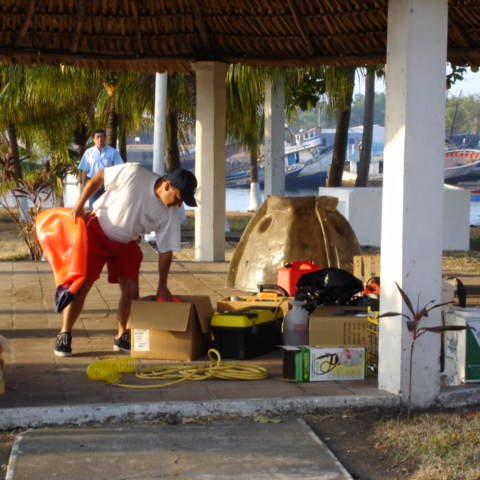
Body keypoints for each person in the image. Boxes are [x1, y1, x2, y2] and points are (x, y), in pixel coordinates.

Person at [54, 162, 198, 357]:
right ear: (167, 186)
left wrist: (162, 284)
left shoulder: (170, 213)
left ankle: (123, 334)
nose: (178, 205)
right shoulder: (134, 173)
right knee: (82, 285)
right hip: (97, 231)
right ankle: (65, 333)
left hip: (127, 243)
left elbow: (166, 251)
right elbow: (98, 177)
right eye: (178, 199)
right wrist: (79, 204)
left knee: (131, 290)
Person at [78, 129, 124, 207]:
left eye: (102, 137)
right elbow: (84, 170)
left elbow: (120, 167)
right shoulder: (88, 153)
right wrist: (83, 187)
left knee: (108, 208)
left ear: (105, 138)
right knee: (93, 208)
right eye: (98, 137)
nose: (100, 139)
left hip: (108, 185)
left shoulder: (113, 152)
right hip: (93, 184)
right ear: (94, 139)